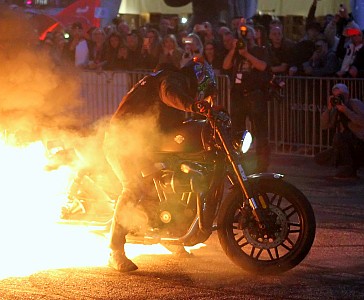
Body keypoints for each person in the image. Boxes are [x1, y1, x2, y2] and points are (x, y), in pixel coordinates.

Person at [103, 58, 217, 272]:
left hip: (145, 143)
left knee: (167, 179)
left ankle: (170, 234)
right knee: (134, 187)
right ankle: (115, 250)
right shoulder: (170, 79)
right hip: (122, 142)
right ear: (195, 80)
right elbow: (169, 94)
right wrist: (193, 106)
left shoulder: (167, 79)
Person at [222, 24, 272, 173]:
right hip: (238, 95)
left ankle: (261, 164)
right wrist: (233, 50)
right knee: (237, 131)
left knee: (260, 130)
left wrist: (246, 54)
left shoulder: (260, 50)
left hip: (255, 94)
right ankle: (239, 163)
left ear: (253, 36)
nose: (244, 39)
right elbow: (226, 66)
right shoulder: (236, 52)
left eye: (247, 35)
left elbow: (263, 66)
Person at [320, 83, 364, 179]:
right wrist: (329, 109)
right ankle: (347, 167)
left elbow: (362, 122)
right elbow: (325, 125)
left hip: (360, 140)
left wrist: (346, 111)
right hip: (349, 141)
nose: (338, 98)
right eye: (335, 96)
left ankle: (349, 169)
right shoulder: (337, 108)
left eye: (340, 96)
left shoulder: (354, 103)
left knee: (339, 138)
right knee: (320, 158)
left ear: (347, 95)